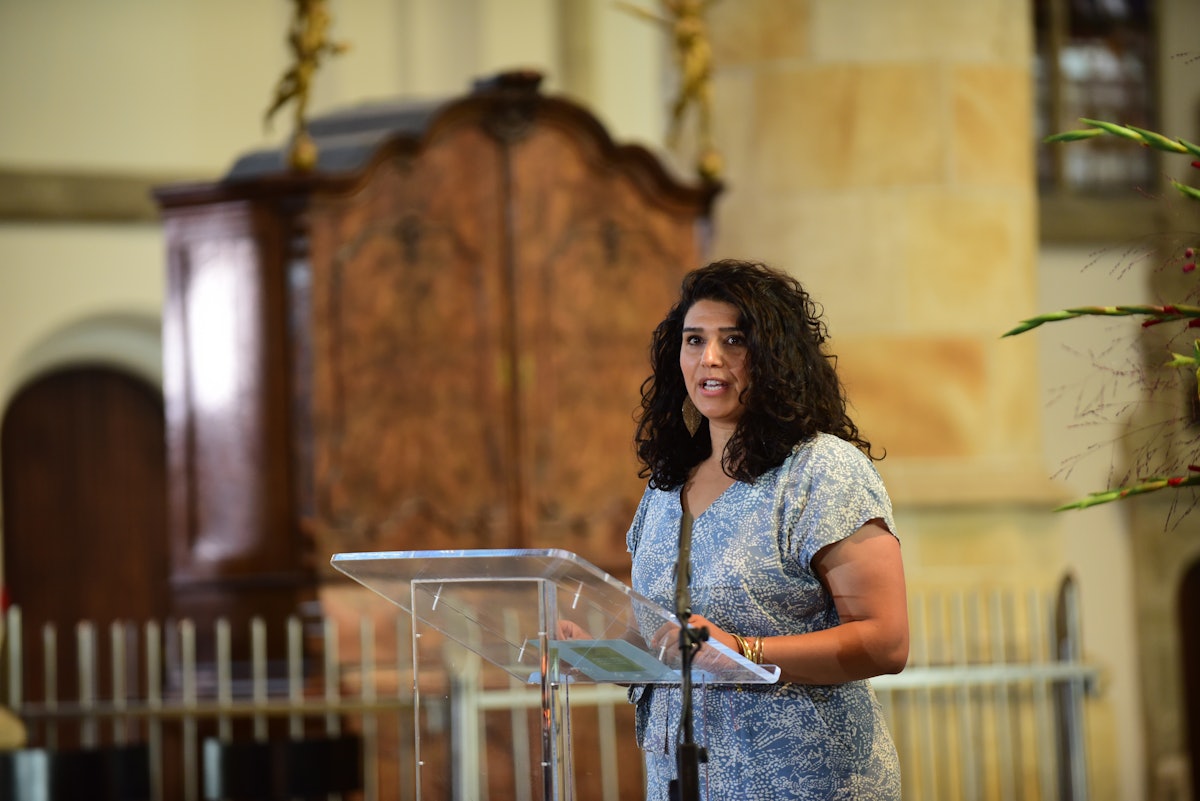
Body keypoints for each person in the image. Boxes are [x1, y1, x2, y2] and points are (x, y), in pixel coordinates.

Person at [626, 259, 908, 799]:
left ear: (774, 355)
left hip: (806, 778)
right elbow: (670, 635)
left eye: (734, 340)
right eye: (694, 340)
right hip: (683, 781)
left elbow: (886, 641)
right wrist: (594, 647)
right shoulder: (664, 489)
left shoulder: (821, 470)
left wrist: (742, 651)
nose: (709, 358)